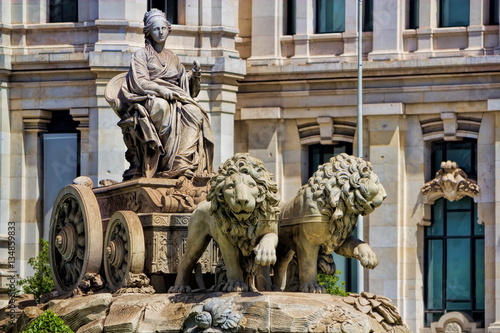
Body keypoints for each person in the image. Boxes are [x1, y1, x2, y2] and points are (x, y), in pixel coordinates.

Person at [106, 8, 214, 180]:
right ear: (149, 32)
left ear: (168, 30)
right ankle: (163, 162)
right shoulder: (141, 55)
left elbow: (186, 87)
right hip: (148, 98)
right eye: (156, 29)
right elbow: (140, 82)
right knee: (161, 107)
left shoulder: (173, 57)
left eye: (163, 28)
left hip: (175, 97)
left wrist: (195, 75)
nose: (161, 32)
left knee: (196, 113)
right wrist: (161, 90)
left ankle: (181, 161)